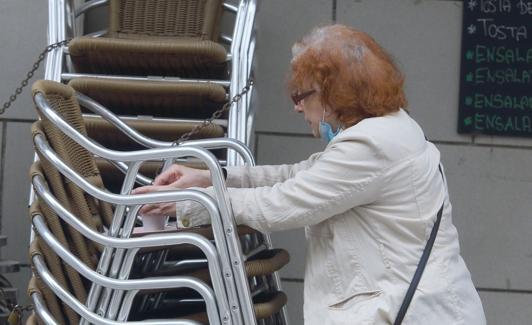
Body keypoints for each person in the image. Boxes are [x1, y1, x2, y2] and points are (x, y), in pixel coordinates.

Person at [133, 25, 486, 324]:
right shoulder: (390, 131)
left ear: (335, 90)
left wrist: (193, 203)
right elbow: (302, 175)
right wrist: (212, 178)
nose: (296, 105)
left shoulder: (372, 144)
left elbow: (284, 203)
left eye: (301, 94)